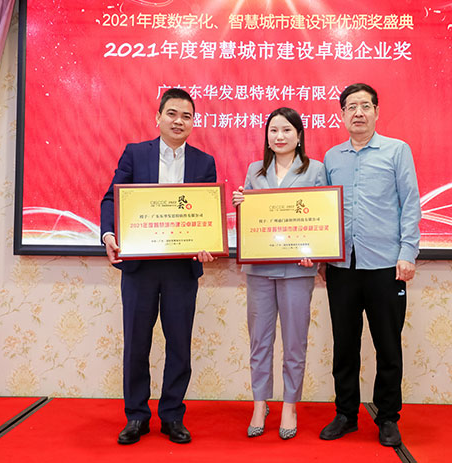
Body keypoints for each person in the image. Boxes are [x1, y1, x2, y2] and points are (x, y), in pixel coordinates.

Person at [100, 88, 216, 445]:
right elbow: (112, 198)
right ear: (158, 117)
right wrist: (108, 234)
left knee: (179, 344)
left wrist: (207, 243)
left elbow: (207, 211)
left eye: (186, 116)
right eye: (172, 114)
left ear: (193, 122)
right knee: (137, 343)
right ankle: (136, 415)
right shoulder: (136, 154)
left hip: (182, 269)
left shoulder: (204, 162)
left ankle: (172, 415)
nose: (179, 121)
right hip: (141, 268)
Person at [318, 83, 421, 447]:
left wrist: (408, 252)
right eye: (351, 107)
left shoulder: (397, 150)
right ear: (342, 114)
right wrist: (323, 256)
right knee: (345, 346)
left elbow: (410, 202)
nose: (358, 112)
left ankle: (388, 416)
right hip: (342, 267)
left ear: (377, 111)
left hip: (386, 266)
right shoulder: (332, 157)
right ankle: (345, 414)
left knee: (388, 346)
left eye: (365, 106)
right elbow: (324, 211)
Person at [232, 107, 327, 440]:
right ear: (267, 136)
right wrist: (241, 205)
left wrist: (316, 251)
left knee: (295, 342)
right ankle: (260, 403)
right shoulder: (254, 170)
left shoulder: (316, 170)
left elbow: (324, 217)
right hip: (260, 269)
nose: (279, 136)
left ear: (299, 135)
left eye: (286, 130)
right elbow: (251, 223)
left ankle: (289, 405)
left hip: (298, 271)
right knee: (260, 341)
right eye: (273, 130)